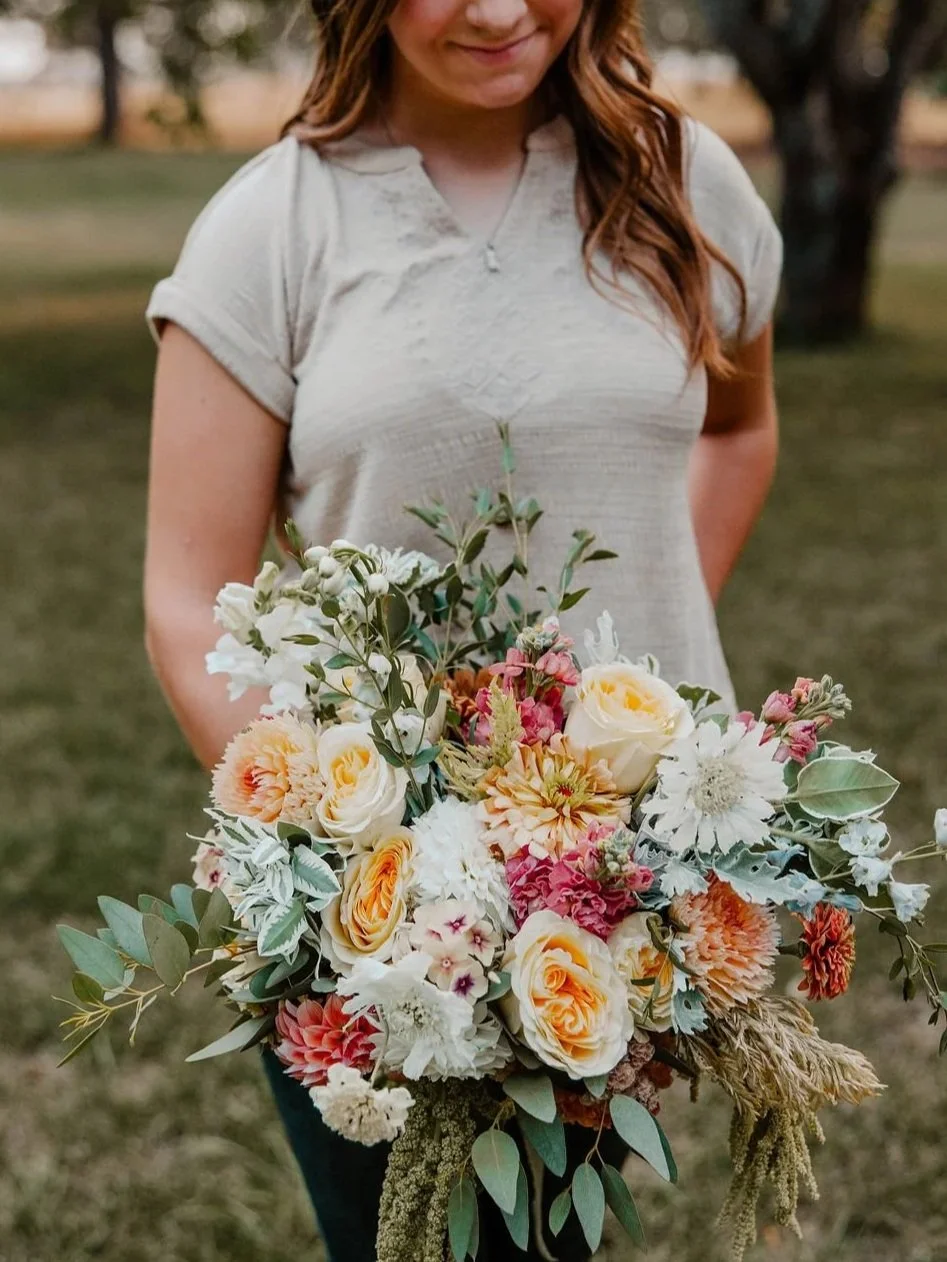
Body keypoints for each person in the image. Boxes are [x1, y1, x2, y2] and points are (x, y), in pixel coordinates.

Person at [142, 1, 782, 1257]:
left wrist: (639, 686)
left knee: (555, 1240)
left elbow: (737, 426)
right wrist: (347, 851)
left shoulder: (678, 180)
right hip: (379, 927)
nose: (497, 11)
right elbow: (185, 590)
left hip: (620, 895)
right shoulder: (267, 230)